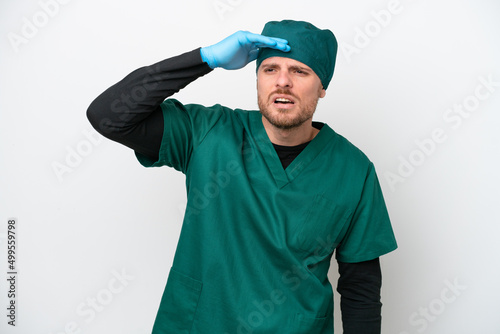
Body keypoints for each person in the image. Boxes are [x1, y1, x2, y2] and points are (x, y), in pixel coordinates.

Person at [87, 20, 397, 334]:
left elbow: (362, 290)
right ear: (258, 78)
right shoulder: (208, 133)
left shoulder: (353, 171)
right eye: (270, 69)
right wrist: (205, 58)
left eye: (300, 71)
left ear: (322, 86)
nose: (283, 82)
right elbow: (109, 116)